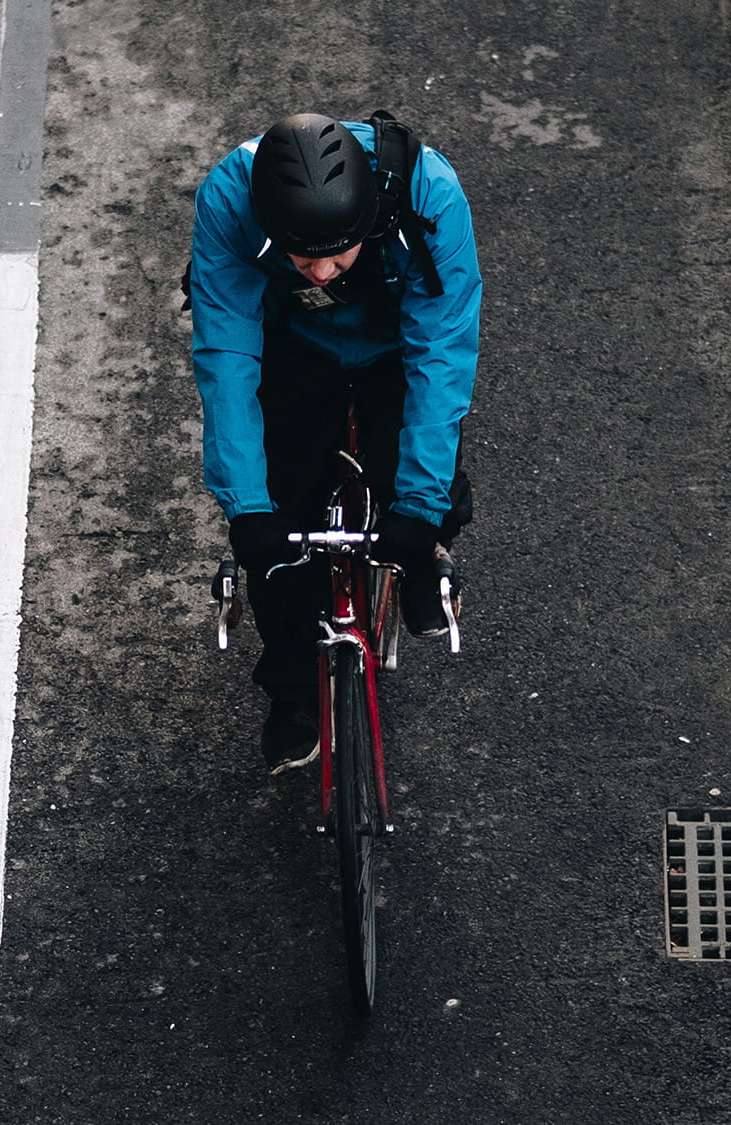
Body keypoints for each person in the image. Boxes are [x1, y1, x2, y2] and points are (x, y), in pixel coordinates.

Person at [188, 112, 482, 772]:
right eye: (302, 257)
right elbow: (227, 355)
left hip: (397, 342)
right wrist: (249, 509)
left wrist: (420, 506)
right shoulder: (229, 201)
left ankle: (421, 560)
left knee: (417, 477)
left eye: (337, 255)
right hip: (293, 341)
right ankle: (294, 689)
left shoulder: (430, 196)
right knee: (281, 511)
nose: (320, 271)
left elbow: (442, 355)